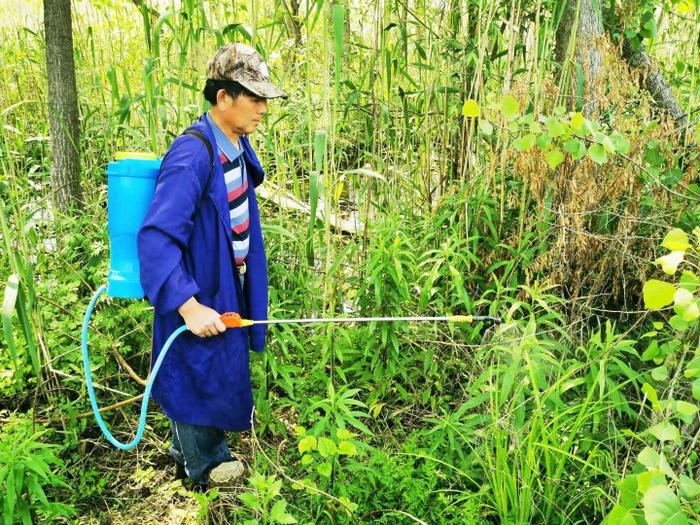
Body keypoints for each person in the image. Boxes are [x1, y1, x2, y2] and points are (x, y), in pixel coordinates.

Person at [137, 43, 287, 490]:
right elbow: (157, 238)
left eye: (265, 99)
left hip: (225, 278)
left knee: (215, 366)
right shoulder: (192, 154)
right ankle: (204, 468)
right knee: (195, 369)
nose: (263, 108)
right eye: (253, 98)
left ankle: (186, 452)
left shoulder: (235, 144)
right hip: (196, 288)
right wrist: (188, 306)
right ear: (223, 97)